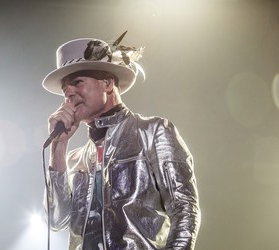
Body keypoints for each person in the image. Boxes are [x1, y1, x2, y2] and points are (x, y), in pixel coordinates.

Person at [42, 32, 201, 250]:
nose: (69, 93)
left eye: (77, 82)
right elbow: (55, 221)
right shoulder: (73, 159)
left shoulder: (153, 132)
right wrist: (57, 148)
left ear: (107, 82)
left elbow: (184, 207)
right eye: (64, 90)